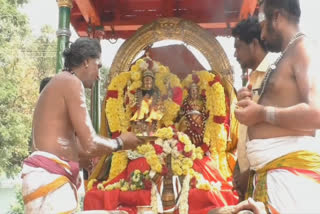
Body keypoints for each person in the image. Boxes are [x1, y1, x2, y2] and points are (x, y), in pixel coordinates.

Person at [21, 37, 142, 214]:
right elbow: (90, 143)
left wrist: (82, 158)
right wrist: (121, 143)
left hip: (48, 179)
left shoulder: (61, 82)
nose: (99, 75)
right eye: (98, 66)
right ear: (86, 61)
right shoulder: (71, 82)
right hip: (49, 179)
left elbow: (72, 144)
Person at [235, 0, 320, 213]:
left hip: (289, 179)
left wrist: (262, 113)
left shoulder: (303, 50)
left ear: (277, 18)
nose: (262, 35)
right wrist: (251, 106)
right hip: (272, 175)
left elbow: (316, 113)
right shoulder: (287, 55)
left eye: (263, 25)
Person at [231, 17, 272, 201]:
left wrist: (251, 171)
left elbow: (273, 130)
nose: (234, 54)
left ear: (254, 44)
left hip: (265, 174)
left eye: (238, 47)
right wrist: (239, 167)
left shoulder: (274, 73)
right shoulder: (253, 79)